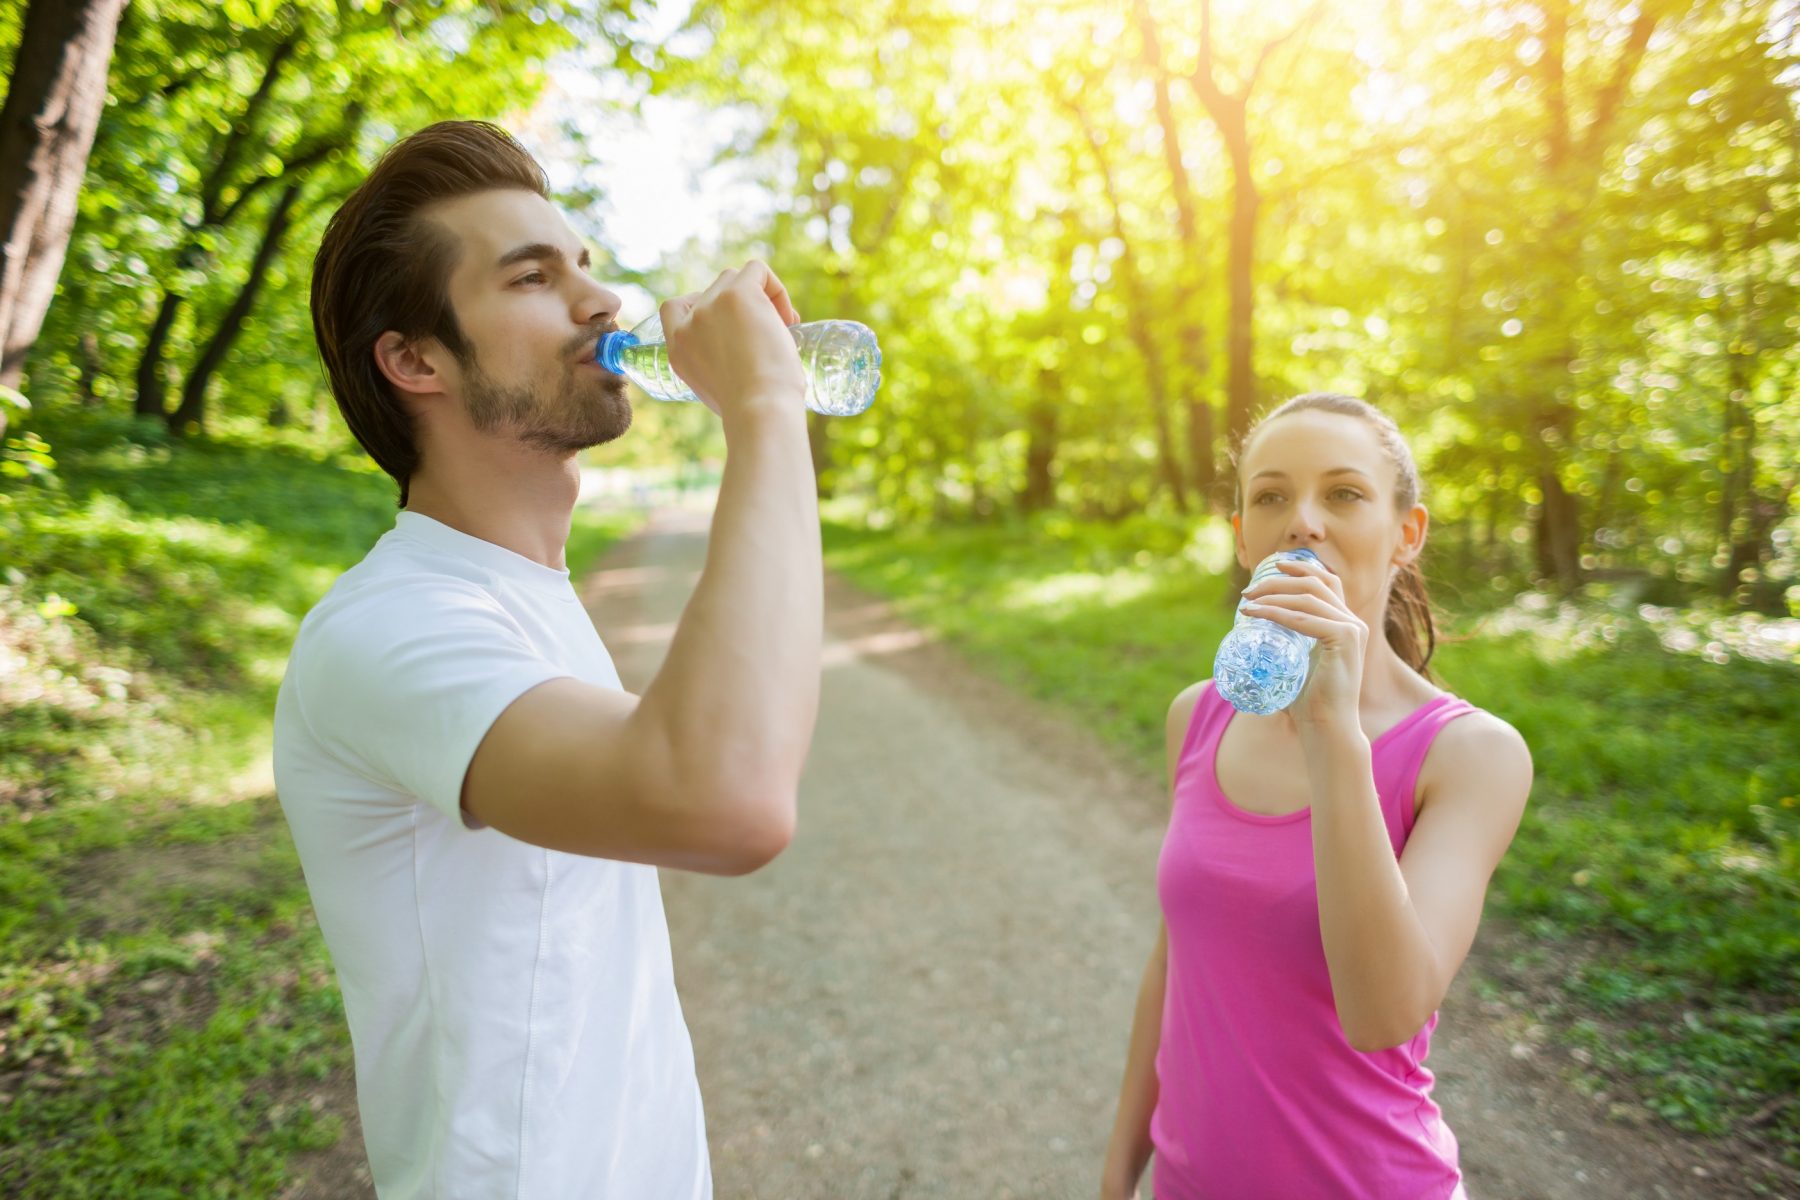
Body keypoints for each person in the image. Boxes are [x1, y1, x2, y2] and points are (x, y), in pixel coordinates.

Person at [273, 120, 822, 1198]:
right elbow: (726, 801)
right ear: (414, 358)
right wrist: (765, 407)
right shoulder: (386, 627)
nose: (600, 301)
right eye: (532, 277)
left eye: (582, 264)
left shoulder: (527, 596)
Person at [1099, 393, 1534, 1200]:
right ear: (1243, 540)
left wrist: (1335, 730)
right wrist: (1118, 1173)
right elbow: (1176, 964)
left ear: (1407, 535)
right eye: (1270, 496)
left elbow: (1382, 1014)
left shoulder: (1472, 755)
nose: (1303, 521)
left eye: (1343, 493)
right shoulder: (1196, 716)